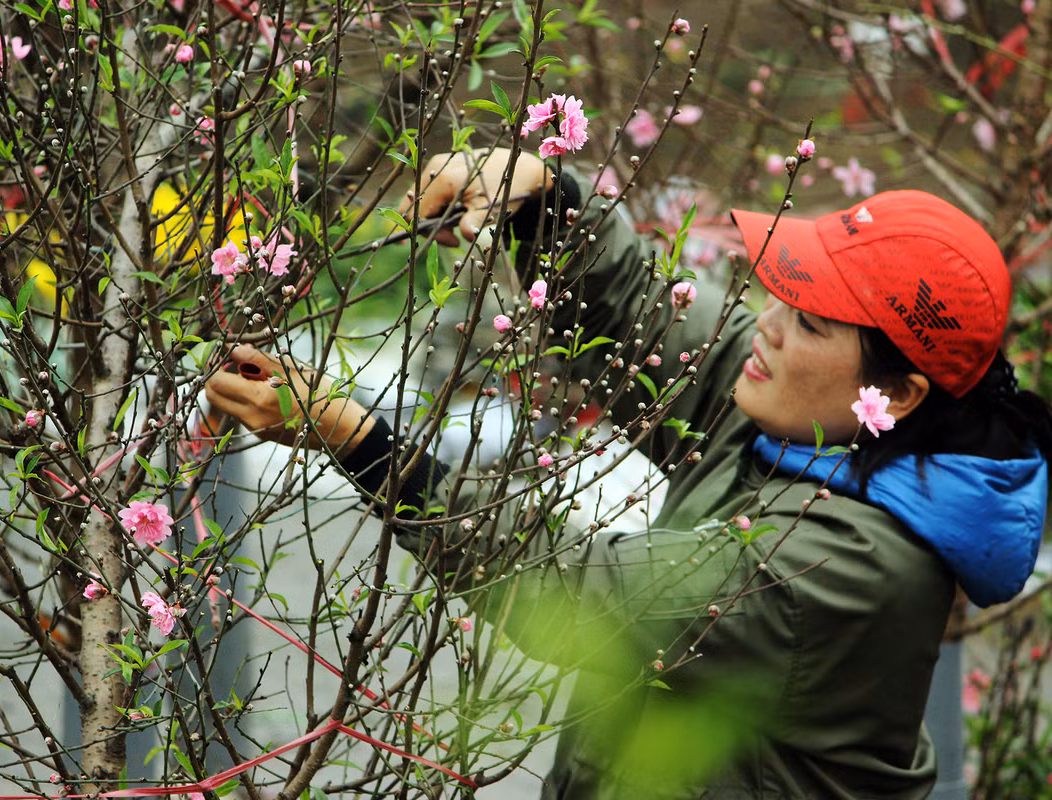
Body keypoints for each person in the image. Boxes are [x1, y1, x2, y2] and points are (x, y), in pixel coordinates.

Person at [205, 149, 1052, 799]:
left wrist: (359, 440)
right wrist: (540, 202)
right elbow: (642, 313)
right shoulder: (809, 421)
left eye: (812, 323)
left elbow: (568, 586)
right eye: (785, 296)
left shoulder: (850, 565)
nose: (769, 323)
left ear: (896, 394)